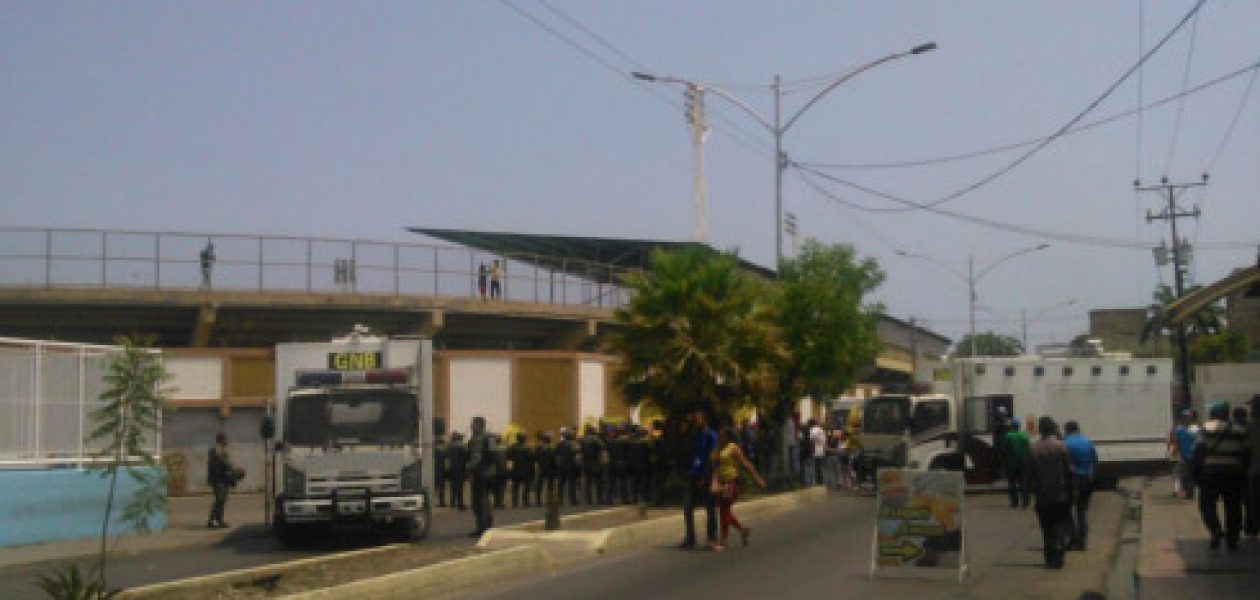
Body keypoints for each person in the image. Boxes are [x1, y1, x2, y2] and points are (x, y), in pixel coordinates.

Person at [1191, 401, 1249, 551]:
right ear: (1226, 413)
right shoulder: (1240, 430)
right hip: (1233, 474)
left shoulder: (1205, 429)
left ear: (1214, 414)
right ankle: (1232, 539)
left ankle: (1215, 529)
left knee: (1206, 504)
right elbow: (1245, 453)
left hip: (1211, 473)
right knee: (1233, 507)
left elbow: (1199, 452)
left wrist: (1196, 476)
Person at [1028, 416, 1074, 569]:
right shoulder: (1061, 447)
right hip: (1060, 495)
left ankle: (1050, 558)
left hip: (1042, 497)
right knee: (1060, 526)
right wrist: (1072, 491)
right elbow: (1069, 471)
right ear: (1053, 429)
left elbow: (1029, 474)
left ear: (1040, 430)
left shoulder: (1033, 448)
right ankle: (1059, 556)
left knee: (1047, 529)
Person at [712, 427, 767, 551]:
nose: (720, 438)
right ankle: (743, 530)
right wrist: (714, 482)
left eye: (722, 436)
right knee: (723, 510)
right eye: (718, 436)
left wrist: (757, 479)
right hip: (721, 483)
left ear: (727, 437)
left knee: (724, 510)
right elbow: (715, 467)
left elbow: (745, 464)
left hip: (731, 482)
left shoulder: (733, 448)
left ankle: (724, 540)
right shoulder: (717, 449)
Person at [679, 409, 719, 550]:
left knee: (710, 508)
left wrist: (707, 476)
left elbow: (712, 458)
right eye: (694, 420)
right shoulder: (694, 435)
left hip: (705, 475)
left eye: (697, 420)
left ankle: (712, 538)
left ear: (703, 420)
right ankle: (690, 537)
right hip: (693, 474)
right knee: (688, 506)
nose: (695, 422)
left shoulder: (711, 436)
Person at [1063, 420, 1098, 550]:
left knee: (1066, 510)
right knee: (1081, 512)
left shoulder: (1065, 443)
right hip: (1087, 479)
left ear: (1067, 430)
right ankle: (1082, 542)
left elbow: (1064, 463)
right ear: (1078, 429)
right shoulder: (1087, 442)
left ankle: (1072, 538)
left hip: (1072, 480)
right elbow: (1094, 460)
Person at [467, 416, 496, 537]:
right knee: (486, 500)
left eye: (473, 424)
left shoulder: (478, 439)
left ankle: (482, 528)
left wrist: (469, 468)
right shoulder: (491, 438)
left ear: (479, 426)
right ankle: (488, 525)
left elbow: (476, 458)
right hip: (490, 473)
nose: (471, 426)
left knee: (479, 501)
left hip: (480, 473)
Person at [206, 432, 240, 528]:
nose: (227, 441)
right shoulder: (215, 450)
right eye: (225, 439)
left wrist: (233, 470)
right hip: (218, 480)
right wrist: (234, 470)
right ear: (221, 440)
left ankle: (219, 520)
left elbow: (227, 462)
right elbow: (223, 463)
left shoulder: (221, 450)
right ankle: (212, 520)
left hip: (223, 479)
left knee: (222, 500)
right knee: (219, 499)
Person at [1170, 409, 1201, 499]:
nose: (1186, 418)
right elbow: (1175, 441)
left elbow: (1200, 442)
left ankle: (1191, 492)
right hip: (1184, 456)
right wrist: (1174, 451)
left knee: (1190, 475)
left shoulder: (1196, 429)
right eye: (1184, 417)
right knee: (1183, 475)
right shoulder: (1180, 429)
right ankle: (1188, 492)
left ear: (1193, 418)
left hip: (1194, 456)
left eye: (1188, 417)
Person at [1001, 419, 1033, 508]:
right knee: (1023, 482)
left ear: (1012, 426)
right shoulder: (1024, 435)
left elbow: (1004, 449)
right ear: (1019, 426)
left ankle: (1014, 502)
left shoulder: (1008, 435)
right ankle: (1025, 501)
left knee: (1012, 483)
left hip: (1011, 463)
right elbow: (1028, 449)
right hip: (1023, 462)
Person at [579, 425, 606, 505]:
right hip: (596, 463)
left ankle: (589, 499)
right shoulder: (597, 440)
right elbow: (603, 449)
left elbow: (579, 452)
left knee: (588, 482)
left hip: (586, 463)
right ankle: (599, 499)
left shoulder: (582, 440)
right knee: (599, 482)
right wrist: (603, 462)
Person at [508, 432, 535, 508]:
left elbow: (509, 460)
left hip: (515, 470)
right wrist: (532, 472)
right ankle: (525, 502)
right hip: (526, 471)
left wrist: (510, 471)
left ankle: (515, 503)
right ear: (524, 439)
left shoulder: (512, 447)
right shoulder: (528, 449)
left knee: (515, 487)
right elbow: (532, 461)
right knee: (526, 487)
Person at [1246, 396, 1260, 539]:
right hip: (1253, 469)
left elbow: (1244, 448)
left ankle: (1253, 528)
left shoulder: (1248, 427)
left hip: (1253, 470)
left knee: (1253, 501)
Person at [555, 428, 580, 505]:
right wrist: (578, 468)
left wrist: (558, 465)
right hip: (571, 467)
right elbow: (577, 457)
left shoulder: (559, 444)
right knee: (572, 484)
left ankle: (560, 500)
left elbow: (557, 457)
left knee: (560, 484)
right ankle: (573, 500)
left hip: (562, 467)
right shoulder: (575, 444)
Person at [534, 431, 557, 507]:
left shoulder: (539, 448)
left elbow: (535, 458)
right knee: (550, 486)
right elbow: (554, 460)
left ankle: (538, 501)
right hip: (550, 469)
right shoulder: (552, 448)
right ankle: (549, 500)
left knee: (539, 485)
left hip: (541, 468)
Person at [447, 431, 468, 510]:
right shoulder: (462, 446)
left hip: (452, 468)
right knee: (460, 487)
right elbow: (466, 457)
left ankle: (452, 502)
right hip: (460, 468)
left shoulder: (449, 446)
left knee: (453, 486)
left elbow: (447, 456)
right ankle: (460, 503)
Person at [434, 433, 449, 508]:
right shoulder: (444, 452)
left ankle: (437, 502)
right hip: (441, 471)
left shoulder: (434, 451)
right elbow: (446, 462)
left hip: (435, 471)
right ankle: (441, 502)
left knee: (436, 487)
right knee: (441, 487)